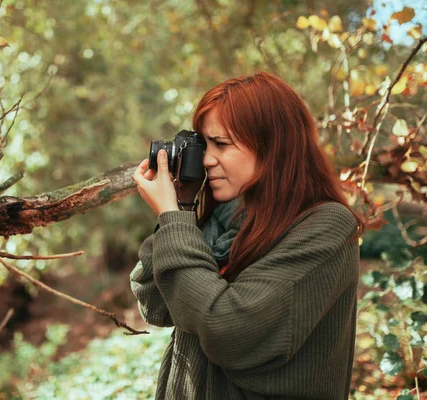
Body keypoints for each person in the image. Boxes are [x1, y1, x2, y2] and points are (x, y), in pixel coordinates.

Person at [130, 71, 365, 400]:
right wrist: (180, 207)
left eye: (221, 144)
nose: (208, 160)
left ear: (273, 148)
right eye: (204, 144)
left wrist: (173, 220)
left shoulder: (325, 227)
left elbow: (226, 329)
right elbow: (154, 304)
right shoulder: (219, 221)